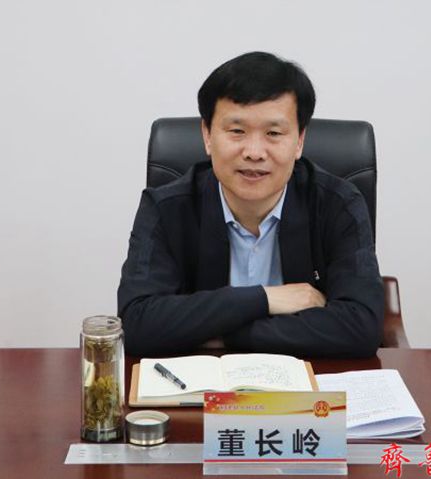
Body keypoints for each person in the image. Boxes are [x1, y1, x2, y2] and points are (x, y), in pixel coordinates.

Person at [118, 52, 384, 358]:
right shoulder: (165, 208)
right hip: (200, 383)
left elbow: (361, 327)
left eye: (273, 133)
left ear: (299, 141)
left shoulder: (339, 204)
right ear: (207, 136)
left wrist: (226, 334)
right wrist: (265, 299)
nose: (254, 152)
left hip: (305, 382)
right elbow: (137, 323)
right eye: (237, 131)